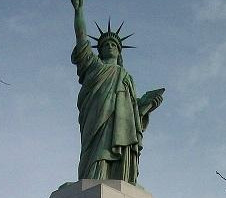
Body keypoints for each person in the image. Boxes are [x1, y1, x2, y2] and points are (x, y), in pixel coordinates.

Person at [70, 0, 164, 184]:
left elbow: (132, 111)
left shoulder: (126, 76)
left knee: (113, 149)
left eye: (114, 45)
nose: (110, 47)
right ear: (100, 51)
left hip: (120, 125)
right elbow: (82, 39)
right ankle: (93, 178)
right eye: (105, 45)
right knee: (94, 151)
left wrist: (148, 105)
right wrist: (79, 11)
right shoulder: (93, 66)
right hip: (96, 117)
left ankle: (114, 179)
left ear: (119, 51)